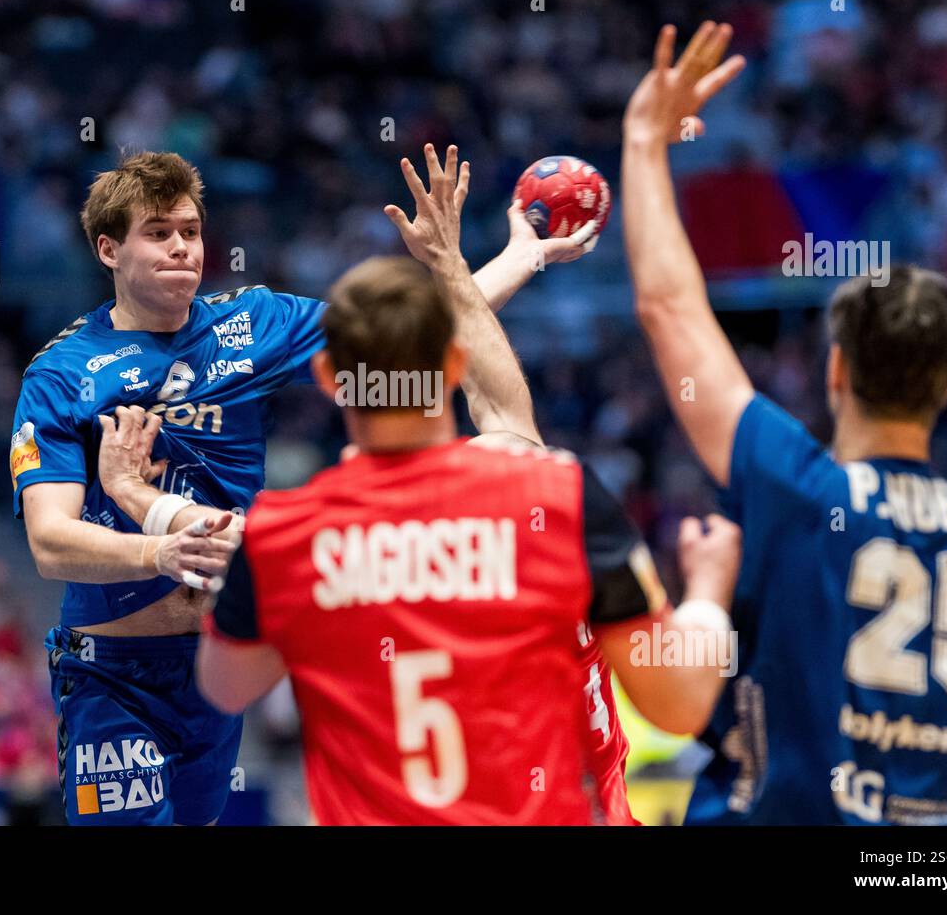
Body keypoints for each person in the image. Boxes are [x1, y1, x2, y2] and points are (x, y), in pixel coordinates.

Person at [13, 150, 600, 825]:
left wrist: (528, 256)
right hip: (112, 671)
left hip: (213, 660)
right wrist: (158, 554)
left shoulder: (252, 322)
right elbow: (49, 541)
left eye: (191, 231)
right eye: (158, 233)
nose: (181, 248)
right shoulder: (61, 373)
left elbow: (405, 335)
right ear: (109, 248)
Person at [192, 143, 744, 824]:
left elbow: (226, 686)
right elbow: (683, 703)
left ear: (330, 379)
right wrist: (711, 592)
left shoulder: (284, 534)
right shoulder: (552, 498)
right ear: (454, 366)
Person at [619, 21, 947, 824]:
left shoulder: (795, 484)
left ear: (836, 369)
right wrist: (943, 712)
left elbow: (669, 309)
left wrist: (643, 141)